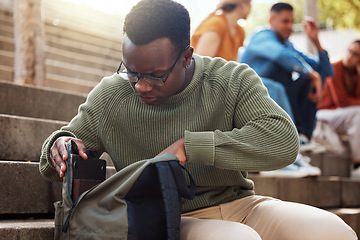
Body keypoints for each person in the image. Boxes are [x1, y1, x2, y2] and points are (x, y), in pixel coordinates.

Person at [39, 0, 356, 239]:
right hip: (166, 216)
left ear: (187, 56)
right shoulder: (111, 95)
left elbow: (283, 143)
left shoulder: (230, 79)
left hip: (242, 206)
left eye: (156, 75)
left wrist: (192, 146)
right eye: (131, 71)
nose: (141, 86)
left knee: (335, 232)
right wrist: (60, 145)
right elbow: (52, 162)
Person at [241, 2, 333, 140]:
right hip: (256, 98)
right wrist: (312, 75)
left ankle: (304, 134)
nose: (290, 27)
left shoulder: (287, 45)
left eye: (292, 22)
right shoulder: (261, 37)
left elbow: (326, 71)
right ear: (272, 21)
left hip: (281, 99)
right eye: (285, 21)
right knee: (285, 67)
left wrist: (316, 42)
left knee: (310, 75)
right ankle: (291, 134)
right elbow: (281, 56)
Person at [317, 40, 360, 178]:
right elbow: (342, 101)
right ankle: (357, 162)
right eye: (349, 51)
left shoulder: (355, 75)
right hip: (323, 113)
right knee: (358, 113)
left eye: (355, 54)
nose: (350, 56)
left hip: (339, 115)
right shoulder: (334, 67)